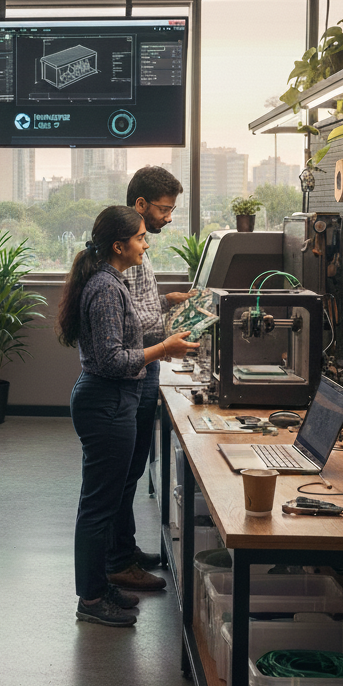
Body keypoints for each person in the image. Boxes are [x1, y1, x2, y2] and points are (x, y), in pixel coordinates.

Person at [56, 206, 197, 627]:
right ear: (118, 246)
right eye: (140, 238)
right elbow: (114, 359)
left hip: (113, 398)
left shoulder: (111, 282)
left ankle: (100, 585)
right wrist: (164, 349)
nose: (145, 243)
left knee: (109, 498)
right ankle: (91, 599)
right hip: (106, 399)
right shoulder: (105, 288)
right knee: (98, 506)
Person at [106, 166, 193, 593]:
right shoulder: (125, 246)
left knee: (133, 470)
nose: (169, 218)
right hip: (134, 372)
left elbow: (138, 305)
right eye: (164, 208)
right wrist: (172, 327)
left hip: (145, 369)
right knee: (123, 474)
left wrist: (167, 301)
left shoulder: (136, 243)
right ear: (140, 205)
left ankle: (125, 548)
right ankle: (117, 560)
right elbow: (128, 322)